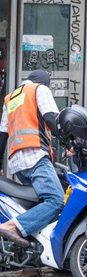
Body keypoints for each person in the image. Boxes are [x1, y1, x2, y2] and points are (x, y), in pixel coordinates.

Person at [0, 70, 63, 249]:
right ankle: (11, 226)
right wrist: (69, 142)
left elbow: (2, 135)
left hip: (17, 162)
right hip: (36, 156)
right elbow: (52, 118)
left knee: (36, 208)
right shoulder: (39, 89)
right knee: (55, 201)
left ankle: (30, 266)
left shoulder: (10, 98)